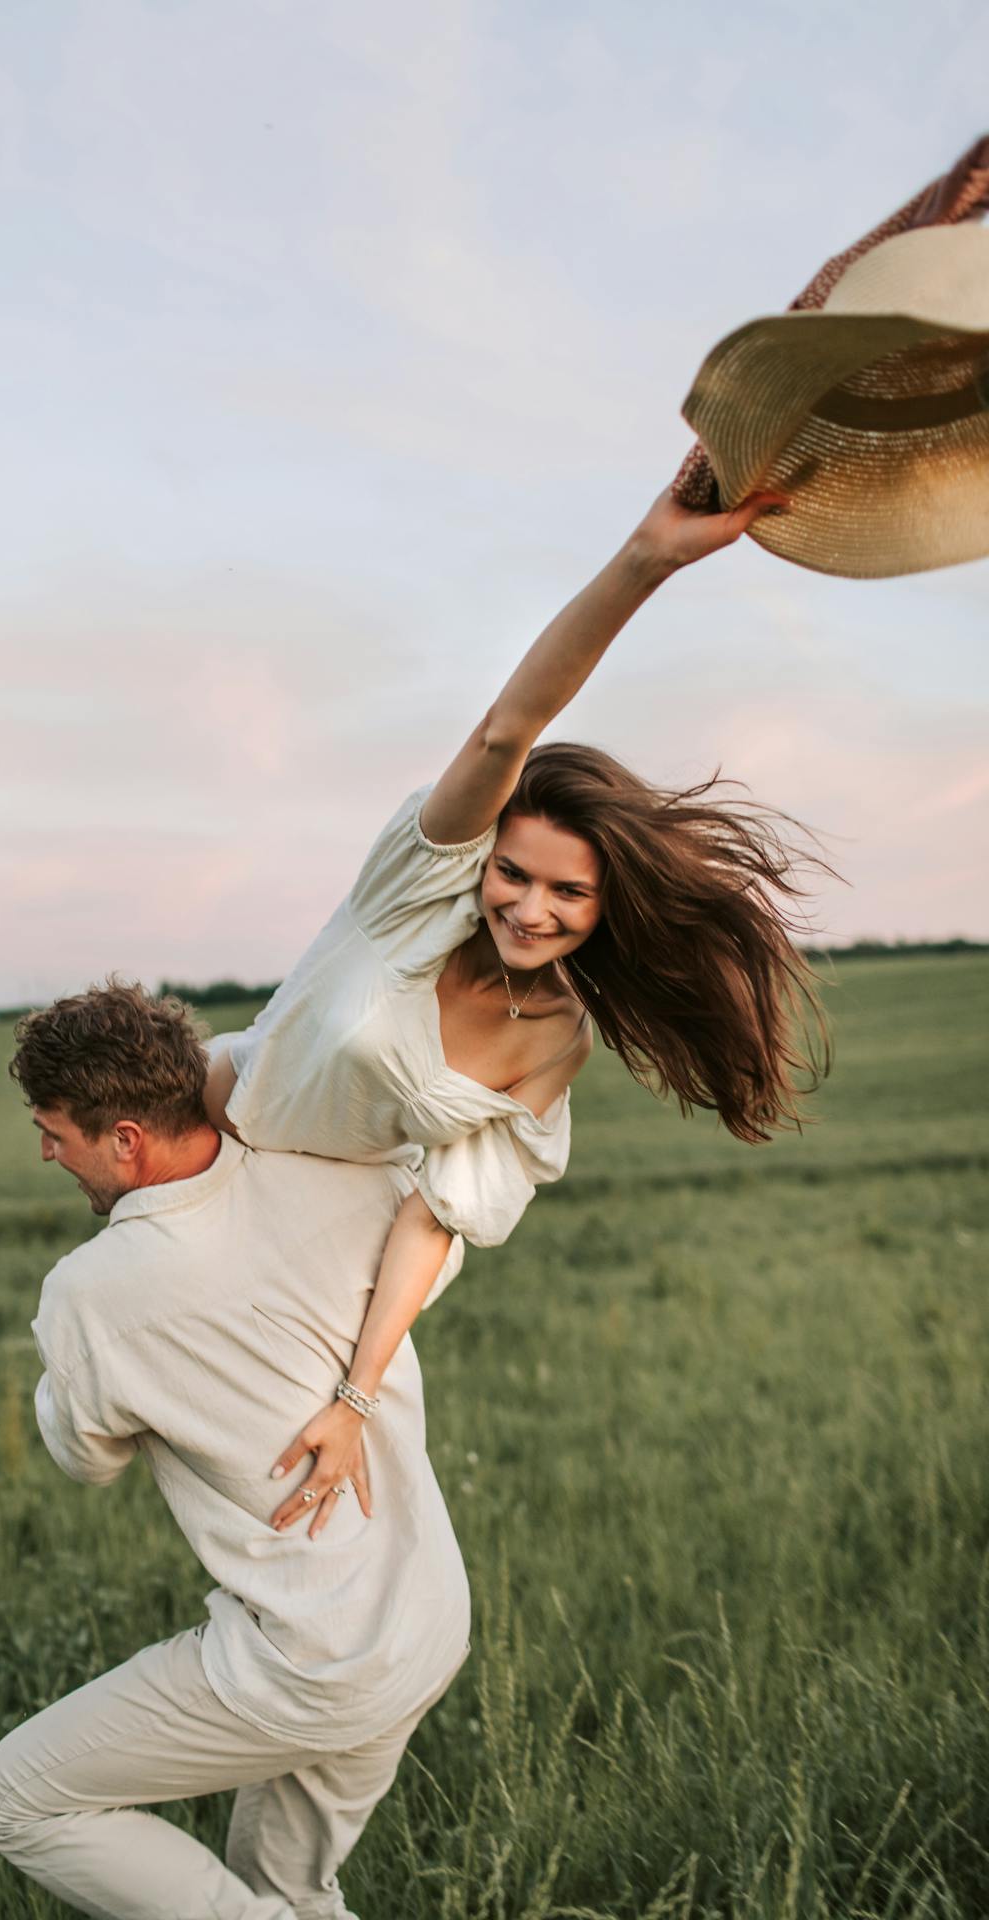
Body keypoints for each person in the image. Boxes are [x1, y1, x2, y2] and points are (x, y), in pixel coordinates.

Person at [203, 485, 829, 1537]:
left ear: (606, 904)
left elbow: (433, 1215)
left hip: (313, 1242)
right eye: (514, 874)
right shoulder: (416, 886)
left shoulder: (555, 1040)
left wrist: (356, 1396)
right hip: (204, 1146)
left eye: (568, 892)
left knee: (301, 1519)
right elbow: (508, 731)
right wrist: (648, 558)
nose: (529, 909)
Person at [0, 982, 470, 1920]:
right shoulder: (335, 1173)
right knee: (289, 1887)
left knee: (20, 1799)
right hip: (428, 1620)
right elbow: (436, 1253)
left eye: (54, 1132)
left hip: (311, 1662)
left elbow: (89, 1460)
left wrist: (73, 1364)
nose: (46, 1152)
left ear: (127, 1139)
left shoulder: (89, 1294)